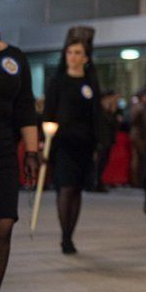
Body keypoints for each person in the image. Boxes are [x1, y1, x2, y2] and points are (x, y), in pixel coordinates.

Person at [44, 27, 103, 254]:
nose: (74, 57)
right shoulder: (57, 81)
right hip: (63, 143)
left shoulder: (90, 83)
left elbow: (96, 113)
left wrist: (98, 141)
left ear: (85, 57)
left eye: (78, 53)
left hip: (84, 143)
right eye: (70, 52)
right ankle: (64, 236)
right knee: (65, 188)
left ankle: (70, 234)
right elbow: (49, 112)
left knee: (77, 190)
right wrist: (45, 139)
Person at [0, 27, 39, 292]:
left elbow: (25, 109)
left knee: (4, 224)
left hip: (3, 150)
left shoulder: (15, 58)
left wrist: (32, 152)